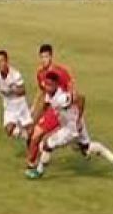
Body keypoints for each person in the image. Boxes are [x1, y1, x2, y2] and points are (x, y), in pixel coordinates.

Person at [29, 71, 113, 179]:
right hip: (75, 124)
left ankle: (39, 171)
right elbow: (46, 105)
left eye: (50, 85)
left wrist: (78, 119)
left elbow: (81, 99)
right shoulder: (49, 94)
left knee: (47, 145)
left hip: (71, 128)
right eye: (46, 84)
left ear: (56, 84)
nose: (47, 87)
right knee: (86, 148)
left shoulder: (62, 98)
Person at [25, 44, 75, 175]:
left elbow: (71, 87)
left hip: (61, 110)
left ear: (51, 57)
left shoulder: (60, 72)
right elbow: (41, 91)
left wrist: (70, 103)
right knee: (35, 134)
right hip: (49, 108)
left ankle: (36, 164)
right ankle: (31, 165)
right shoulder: (40, 73)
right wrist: (34, 106)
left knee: (40, 135)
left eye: (46, 56)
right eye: (42, 57)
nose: (44, 59)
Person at [0, 50, 30, 142]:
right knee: (9, 130)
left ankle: (32, 141)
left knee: (29, 128)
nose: (0, 64)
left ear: (7, 61)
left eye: (2, 61)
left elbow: (23, 91)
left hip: (20, 105)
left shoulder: (15, 75)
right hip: (9, 107)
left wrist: (13, 89)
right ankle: (26, 136)